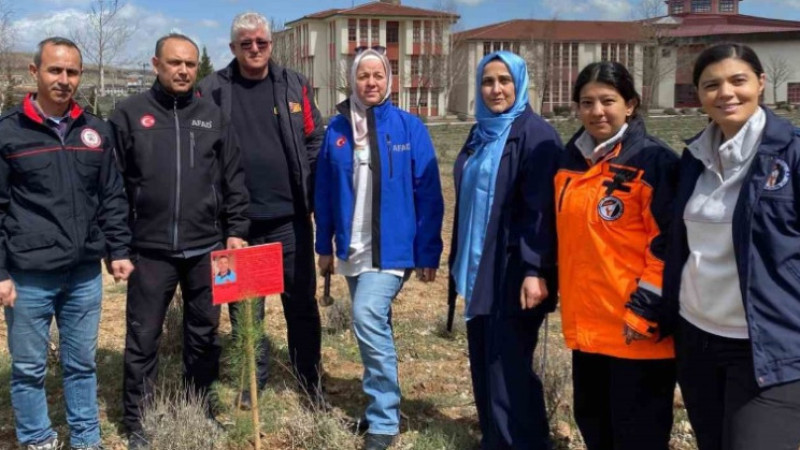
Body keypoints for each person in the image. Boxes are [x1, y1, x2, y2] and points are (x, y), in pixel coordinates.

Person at [109, 33, 249, 447]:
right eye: (174, 63)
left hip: (208, 247)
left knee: (204, 334)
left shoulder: (213, 116)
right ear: (156, 64)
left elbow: (233, 180)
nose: (183, 70)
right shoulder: (129, 114)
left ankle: (199, 408)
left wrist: (237, 231)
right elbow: (113, 187)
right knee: (143, 338)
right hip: (149, 250)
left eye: (190, 63)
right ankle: (139, 422)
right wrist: (118, 246)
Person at [663, 43, 800, 450]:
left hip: (769, 346)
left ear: (760, 83)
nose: (726, 93)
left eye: (738, 80)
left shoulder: (792, 154)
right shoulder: (693, 158)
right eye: (711, 85)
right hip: (697, 339)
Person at [0, 37, 133, 450]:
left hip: (82, 274)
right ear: (34, 72)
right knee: (27, 368)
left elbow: (111, 194)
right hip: (28, 275)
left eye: (72, 72)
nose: (64, 80)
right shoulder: (8, 133)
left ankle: (86, 438)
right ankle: (38, 438)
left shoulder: (96, 130)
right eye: (55, 70)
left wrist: (119, 249)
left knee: (81, 364)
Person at [314, 47, 444, 450]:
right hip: (353, 249)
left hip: (393, 249)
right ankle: (377, 409)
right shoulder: (336, 130)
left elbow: (429, 193)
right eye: (363, 75)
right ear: (352, 80)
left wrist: (428, 251)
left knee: (366, 315)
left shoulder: (409, 128)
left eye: (378, 75)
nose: (371, 82)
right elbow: (324, 192)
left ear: (390, 80)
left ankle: (385, 420)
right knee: (375, 327)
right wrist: (324, 246)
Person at [197, 12, 325, 408]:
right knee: (245, 313)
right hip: (236, 226)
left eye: (262, 43)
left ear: (271, 45)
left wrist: (306, 185)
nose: (255, 49)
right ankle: (252, 385)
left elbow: (314, 136)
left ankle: (309, 383)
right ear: (233, 47)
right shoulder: (212, 89)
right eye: (246, 43)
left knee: (301, 306)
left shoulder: (293, 84)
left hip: (290, 222)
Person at [554, 61, 678, 450]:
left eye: (608, 101)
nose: (597, 111)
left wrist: (644, 311)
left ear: (631, 105)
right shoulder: (569, 162)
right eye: (587, 102)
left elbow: (668, 247)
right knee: (596, 429)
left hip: (635, 331)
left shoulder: (654, 162)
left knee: (637, 436)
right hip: (588, 331)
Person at [448, 51, 561, 449]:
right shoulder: (481, 132)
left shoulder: (536, 135)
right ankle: (495, 436)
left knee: (508, 362)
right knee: (484, 357)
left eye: (504, 80)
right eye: (487, 81)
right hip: (481, 266)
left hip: (513, 270)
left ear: (520, 83)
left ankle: (522, 441)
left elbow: (541, 212)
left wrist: (534, 269)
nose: (496, 89)